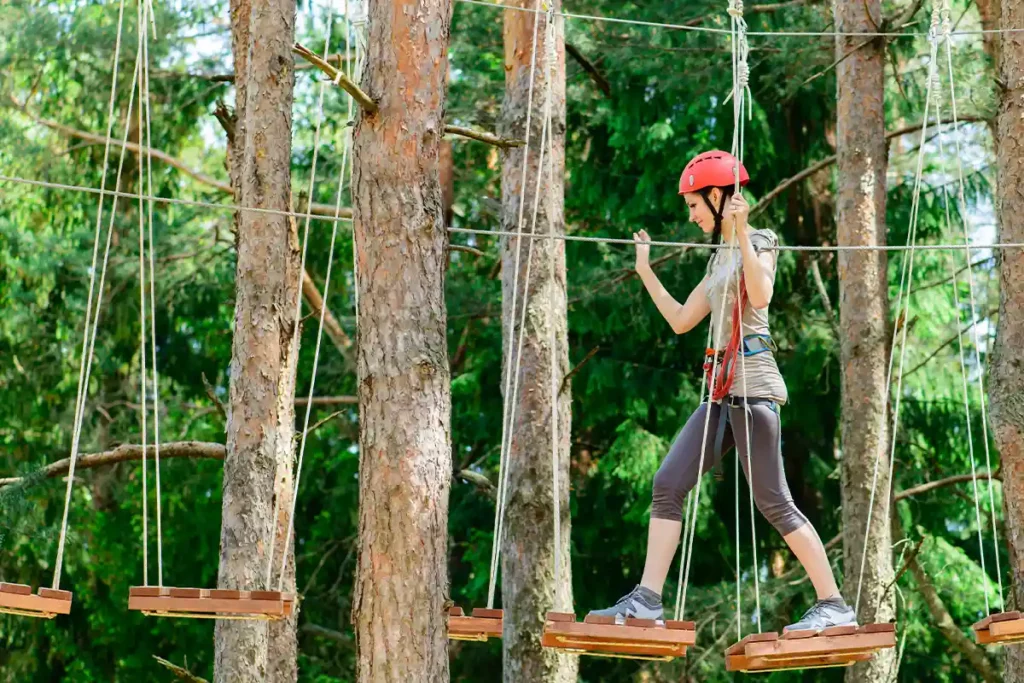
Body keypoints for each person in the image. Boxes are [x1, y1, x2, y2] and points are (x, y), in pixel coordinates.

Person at [589, 150, 855, 633]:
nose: (690, 216)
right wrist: (645, 269)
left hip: (753, 390)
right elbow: (680, 321)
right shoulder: (716, 261)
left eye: (694, 205)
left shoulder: (759, 241)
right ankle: (647, 600)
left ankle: (833, 603)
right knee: (667, 485)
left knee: (774, 501)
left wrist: (742, 232)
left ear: (717, 196)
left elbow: (763, 293)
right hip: (719, 395)